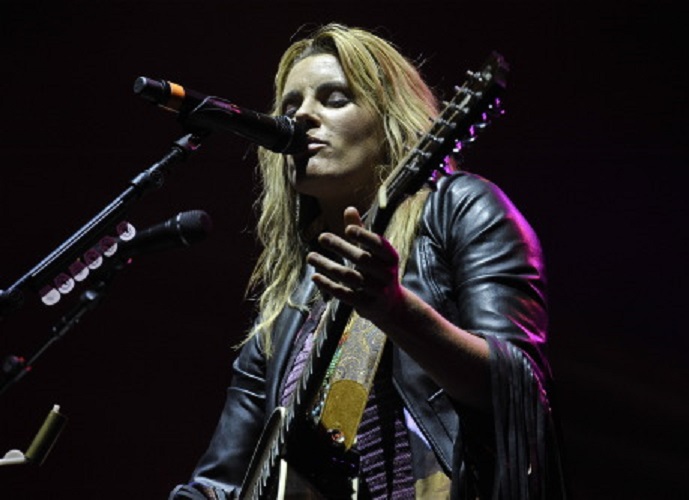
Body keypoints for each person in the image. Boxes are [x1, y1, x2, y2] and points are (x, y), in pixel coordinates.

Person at [169, 23, 566, 499]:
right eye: (290, 108)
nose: (303, 117)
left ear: (390, 118)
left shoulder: (461, 209)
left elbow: (519, 391)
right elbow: (218, 480)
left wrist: (395, 310)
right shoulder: (286, 307)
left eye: (334, 99)